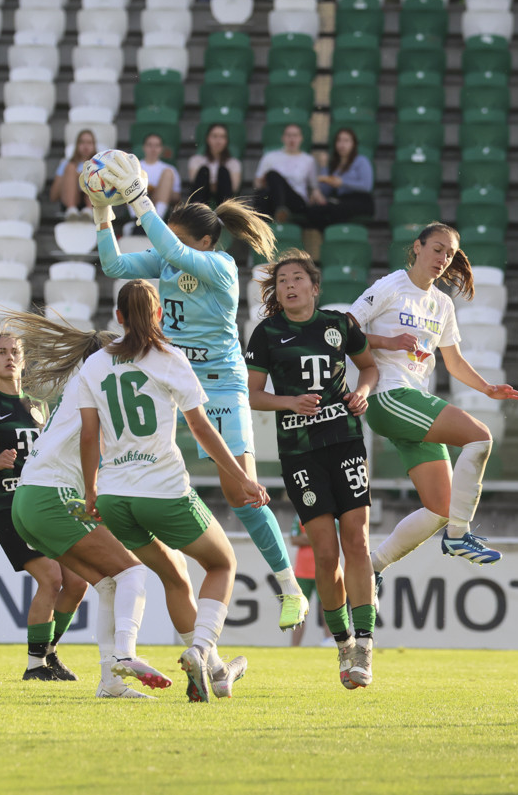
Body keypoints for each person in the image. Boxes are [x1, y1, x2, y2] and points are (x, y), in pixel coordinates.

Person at [84, 150, 313, 633]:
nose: (171, 246)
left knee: (243, 493)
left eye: (182, 239)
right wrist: (103, 215)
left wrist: (140, 202)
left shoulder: (221, 267)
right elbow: (113, 265)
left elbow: (174, 252)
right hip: (172, 381)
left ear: (206, 242)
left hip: (223, 385)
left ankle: (290, 588)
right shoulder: (170, 259)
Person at [7, 306, 257, 703]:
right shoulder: (104, 384)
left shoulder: (83, 384)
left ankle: (116, 682)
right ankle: (126, 654)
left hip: (29, 498)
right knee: (133, 571)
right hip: (57, 495)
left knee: (111, 582)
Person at [78, 279, 270, 702]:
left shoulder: (94, 364)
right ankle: (200, 651)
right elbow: (201, 428)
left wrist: (91, 491)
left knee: (174, 575)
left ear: (118, 316)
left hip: (113, 496)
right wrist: (242, 476)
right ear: (160, 314)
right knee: (222, 563)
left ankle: (214, 670)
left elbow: (89, 435)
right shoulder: (168, 357)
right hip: (162, 489)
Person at [347, 222, 518, 578]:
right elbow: (344, 327)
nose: (442, 258)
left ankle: (371, 569)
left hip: (412, 400)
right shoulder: (391, 286)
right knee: (480, 437)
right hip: (389, 396)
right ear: (418, 247)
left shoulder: (442, 303)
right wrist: (388, 342)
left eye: (450, 254)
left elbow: (453, 362)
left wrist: (487, 388)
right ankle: (458, 536)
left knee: (441, 508)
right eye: (437, 249)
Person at [245, 249, 380, 688]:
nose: (289, 285)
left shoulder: (339, 324)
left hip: (345, 442)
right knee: (324, 552)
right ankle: (342, 644)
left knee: (357, 540)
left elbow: (369, 368)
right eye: (282, 280)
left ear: (314, 287)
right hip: (300, 453)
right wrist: (289, 402)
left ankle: (364, 644)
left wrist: (362, 393)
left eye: (297, 278)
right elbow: (252, 394)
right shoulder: (267, 333)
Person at [0, 333, 89, 682]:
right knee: (51, 578)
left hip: (45, 505)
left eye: (15, 352)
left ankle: (48, 654)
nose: (9, 357)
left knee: (77, 582)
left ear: (24, 361)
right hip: (9, 509)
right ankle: (34, 666)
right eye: (1, 352)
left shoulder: (38, 406)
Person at [252, 123, 324, 224]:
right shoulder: (270, 157)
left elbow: (314, 187)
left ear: (301, 138)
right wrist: (263, 182)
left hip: (296, 200)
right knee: (265, 191)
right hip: (273, 197)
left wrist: (319, 198)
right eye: (288, 135)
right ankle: (272, 217)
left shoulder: (308, 160)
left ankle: (279, 212)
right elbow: (257, 183)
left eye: (295, 135)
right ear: (283, 138)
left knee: (273, 175)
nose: (292, 139)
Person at [306, 128, 374, 230]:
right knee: (313, 211)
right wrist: (324, 167)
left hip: (360, 200)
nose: (342, 144)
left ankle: (336, 234)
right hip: (341, 200)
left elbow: (366, 186)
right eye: (339, 140)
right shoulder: (333, 166)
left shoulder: (361, 161)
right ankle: (329, 234)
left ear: (353, 144)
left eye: (346, 141)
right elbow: (325, 190)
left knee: (337, 210)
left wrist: (342, 182)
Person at [287, 518, 333, 649]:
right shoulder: (298, 516)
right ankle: (294, 647)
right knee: (299, 611)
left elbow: (330, 539)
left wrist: (306, 537)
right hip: (302, 572)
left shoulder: (329, 514)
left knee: (327, 608)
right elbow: (294, 539)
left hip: (323, 570)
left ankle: (329, 640)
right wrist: (316, 537)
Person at [187, 123, 242, 208]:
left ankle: (226, 211)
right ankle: (197, 210)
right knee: (204, 171)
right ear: (207, 139)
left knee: (223, 172)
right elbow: (195, 184)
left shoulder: (234, 163)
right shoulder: (196, 160)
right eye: (214, 136)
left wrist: (213, 183)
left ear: (227, 140)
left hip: (224, 198)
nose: (218, 141)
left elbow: (234, 188)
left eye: (222, 137)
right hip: (202, 197)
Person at [132, 133, 180, 228]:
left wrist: (162, 190)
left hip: (158, 202)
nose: (153, 149)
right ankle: (135, 220)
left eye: (157, 146)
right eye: (149, 145)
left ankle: (156, 220)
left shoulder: (169, 169)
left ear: (161, 149)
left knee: (167, 173)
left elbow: (177, 196)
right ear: (144, 147)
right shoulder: (135, 166)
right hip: (139, 203)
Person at [49, 129, 97, 223]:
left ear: (94, 145)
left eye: (89, 143)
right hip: (71, 200)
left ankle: (89, 210)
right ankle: (71, 210)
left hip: (92, 201)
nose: (86, 146)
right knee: (71, 167)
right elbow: (53, 196)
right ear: (77, 145)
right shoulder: (66, 164)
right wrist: (71, 178)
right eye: (82, 142)